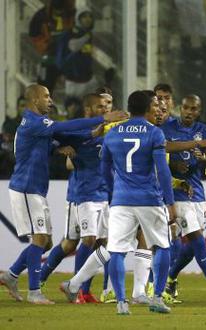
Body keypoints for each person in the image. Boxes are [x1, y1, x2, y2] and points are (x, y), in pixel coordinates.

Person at [0, 84, 125, 304]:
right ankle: (34, 292)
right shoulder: (34, 122)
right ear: (35, 100)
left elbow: (60, 136)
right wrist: (102, 120)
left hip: (36, 189)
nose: (50, 100)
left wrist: (59, 147)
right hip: (26, 187)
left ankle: (11, 275)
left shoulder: (38, 126)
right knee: (41, 239)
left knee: (46, 243)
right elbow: (65, 127)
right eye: (46, 96)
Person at [67, 91, 175, 315]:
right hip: (149, 199)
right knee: (162, 246)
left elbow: (105, 169)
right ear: (146, 108)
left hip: (121, 200)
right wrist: (170, 201)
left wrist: (112, 192)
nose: (158, 108)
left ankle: (121, 303)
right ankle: (155, 298)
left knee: (116, 251)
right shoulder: (154, 133)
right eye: (154, 104)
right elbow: (162, 171)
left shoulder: (113, 134)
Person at [39, 93, 109, 304]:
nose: (105, 109)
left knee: (102, 244)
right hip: (82, 194)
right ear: (88, 110)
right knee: (78, 242)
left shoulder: (111, 131)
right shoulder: (75, 131)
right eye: (100, 106)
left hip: (104, 194)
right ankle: (51, 282)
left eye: (108, 105)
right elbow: (48, 140)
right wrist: (59, 148)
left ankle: (83, 290)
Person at [161, 94, 206, 304]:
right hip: (178, 192)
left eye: (194, 109)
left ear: (199, 111)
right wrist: (174, 167)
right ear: (180, 108)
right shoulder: (168, 127)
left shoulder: (204, 130)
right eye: (186, 108)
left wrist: (205, 161)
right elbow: (160, 153)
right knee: (199, 241)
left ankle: (171, 279)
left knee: (192, 247)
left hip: (198, 193)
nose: (189, 112)